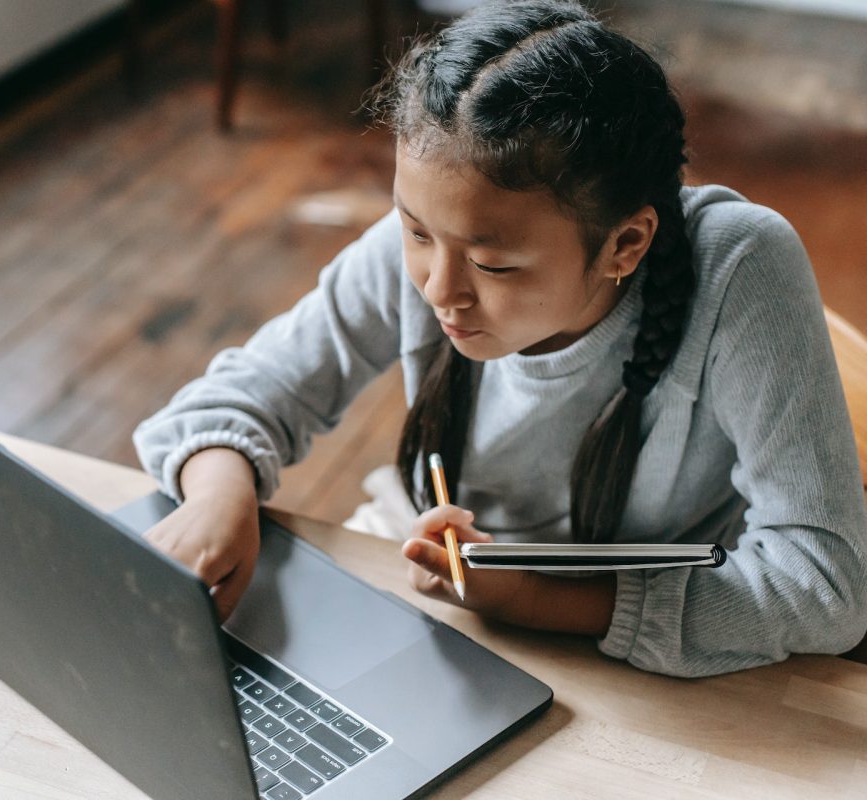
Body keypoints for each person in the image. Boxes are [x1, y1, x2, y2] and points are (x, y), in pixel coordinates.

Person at [132, 0, 867, 677]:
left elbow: (826, 584)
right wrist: (216, 496)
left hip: (658, 635)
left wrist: (528, 600)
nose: (438, 290)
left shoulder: (738, 267)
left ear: (627, 243)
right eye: (414, 232)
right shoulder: (439, 225)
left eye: (494, 264)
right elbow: (246, 391)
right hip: (442, 585)